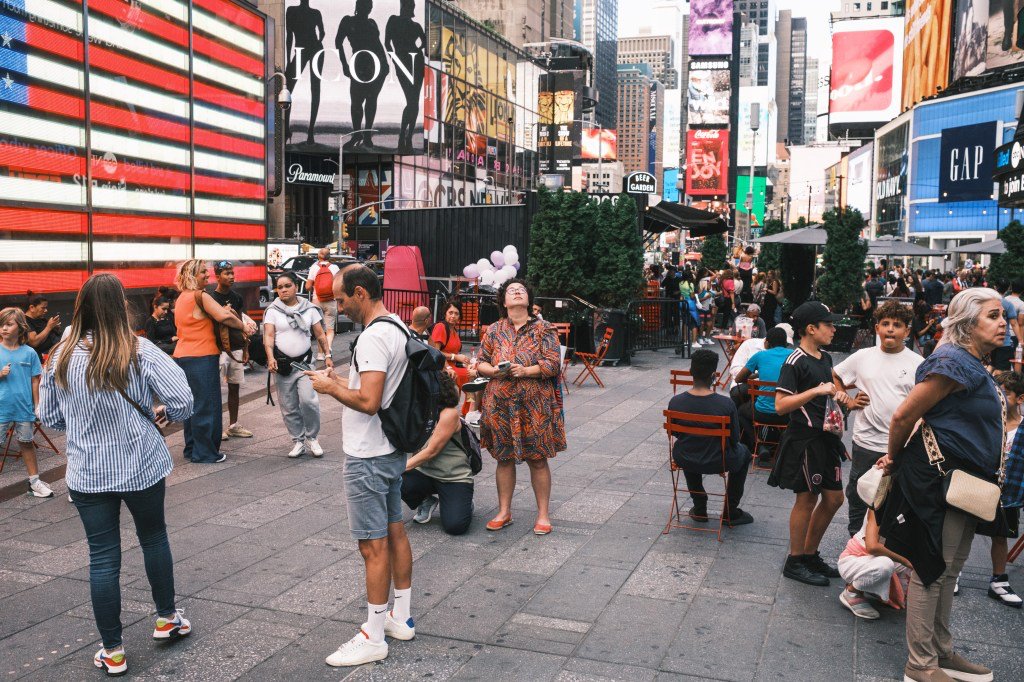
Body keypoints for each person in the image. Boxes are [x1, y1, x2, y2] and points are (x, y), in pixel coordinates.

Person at [38, 274, 195, 677]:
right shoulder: (138, 349)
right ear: (120, 305)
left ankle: (113, 651)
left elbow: (51, 417)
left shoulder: (61, 355)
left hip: (88, 472)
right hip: (141, 464)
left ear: (80, 306)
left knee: (102, 558)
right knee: (153, 537)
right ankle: (166, 619)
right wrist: (162, 414)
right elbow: (182, 401)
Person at [877, 287, 1004, 682]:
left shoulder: (969, 361)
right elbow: (902, 416)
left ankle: (942, 651)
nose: (1004, 323)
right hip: (939, 479)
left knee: (950, 570)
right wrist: (893, 460)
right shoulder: (952, 361)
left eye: (1003, 315)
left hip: (964, 482)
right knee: (932, 570)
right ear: (967, 323)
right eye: (993, 315)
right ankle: (920, 664)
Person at [306, 265, 415, 667]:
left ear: (359, 293)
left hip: (368, 455)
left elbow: (369, 402)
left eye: (340, 298)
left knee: (371, 546)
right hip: (389, 450)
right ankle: (399, 617)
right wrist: (344, 380)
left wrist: (331, 386)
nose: (338, 305)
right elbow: (379, 391)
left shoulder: (372, 337)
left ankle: (372, 635)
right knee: (394, 530)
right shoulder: (397, 326)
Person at [476, 279, 565, 536]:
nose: (517, 292)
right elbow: (480, 361)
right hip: (500, 403)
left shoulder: (544, 329)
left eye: (522, 290)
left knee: (537, 459)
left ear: (528, 299)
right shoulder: (494, 329)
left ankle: (543, 515)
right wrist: (493, 370)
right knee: (503, 459)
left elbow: (552, 365)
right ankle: (504, 512)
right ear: (504, 301)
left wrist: (525, 370)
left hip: (534, 404)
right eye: (511, 291)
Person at [769, 302, 847, 587]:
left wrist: (844, 399)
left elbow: (829, 393)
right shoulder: (794, 361)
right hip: (804, 439)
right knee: (807, 498)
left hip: (826, 438)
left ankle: (810, 554)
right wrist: (816, 390)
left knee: (835, 498)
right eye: (828, 324)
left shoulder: (825, 358)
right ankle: (795, 559)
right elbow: (780, 405)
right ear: (811, 329)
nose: (834, 328)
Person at [832, 300, 922, 537]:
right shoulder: (863, 356)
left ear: (907, 331)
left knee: (893, 495)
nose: (890, 329)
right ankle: (855, 538)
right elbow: (836, 374)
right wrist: (848, 401)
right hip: (866, 441)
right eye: (885, 324)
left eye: (897, 324)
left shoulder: (918, 364)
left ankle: (884, 538)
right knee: (858, 491)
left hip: (901, 445)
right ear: (877, 328)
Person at [173, 259, 252, 464]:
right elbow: (223, 317)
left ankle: (192, 449)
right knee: (206, 405)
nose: (207, 276)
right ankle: (206, 452)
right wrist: (243, 327)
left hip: (183, 356)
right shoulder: (201, 295)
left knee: (192, 406)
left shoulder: (182, 298)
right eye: (202, 273)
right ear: (191, 275)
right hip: (202, 356)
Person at [668, 349, 754, 526]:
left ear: (691, 372)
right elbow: (734, 439)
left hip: (685, 458)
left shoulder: (675, 402)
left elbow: (675, 433)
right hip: (719, 460)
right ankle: (730, 511)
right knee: (744, 453)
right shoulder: (726, 404)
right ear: (714, 375)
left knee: (689, 445)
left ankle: (699, 506)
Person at [971, 370, 1023, 608]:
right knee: (965, 528)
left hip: (1008, 492)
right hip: (980, 483)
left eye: (1006, 394)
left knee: (1000, 535)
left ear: (1020, 398)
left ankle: (999, 581)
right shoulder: (988, 420)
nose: (1000, 398)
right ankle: (954, 573)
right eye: (997, 393)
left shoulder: (1021, 428)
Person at [264, 273, 331, 458]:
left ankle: (313, 438)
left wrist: (328, 355)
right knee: (289, 406)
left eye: (287, 285)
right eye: (280, 287)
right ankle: (298, 441)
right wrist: (270, 358)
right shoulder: (272, 310)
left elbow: (320, 334)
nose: (283, 290)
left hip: (304, 364)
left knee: (309, 401)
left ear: (296, 287)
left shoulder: (309, 309)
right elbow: (269, 336)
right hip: (283, 366)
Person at [401, 372, 474, 535]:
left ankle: (464, 503)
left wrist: (400, 467)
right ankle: (425, 500)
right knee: (396, 480)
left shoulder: (449, 414)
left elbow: (431, 451)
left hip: (453, 477)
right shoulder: (422, 410)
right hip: (425, 474)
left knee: (456, 527)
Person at [0, 308, 53, 498]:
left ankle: (34, 482)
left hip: (24, 408)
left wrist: (37, 405)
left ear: (20, 327)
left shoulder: (29, 353)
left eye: (9, 324)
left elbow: (35, 380)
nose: (4, 328)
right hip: (1, 408)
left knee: (27, 443)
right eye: (1, 324)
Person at [837, 506, 913, 620]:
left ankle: (875, 587)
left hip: (883, 558)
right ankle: (852, 592)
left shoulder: (913, 504)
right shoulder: (880, 504)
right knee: (885, 566)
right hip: (856, 559)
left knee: (920, 570)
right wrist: (906, 561)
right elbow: (872, 547)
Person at [734, 326, 793, 467]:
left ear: (767, 343)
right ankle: (781, 446)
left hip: (761, 413)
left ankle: (758, 443)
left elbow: (738, 379)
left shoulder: (760, 356)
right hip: (787, 413)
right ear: (786, 342)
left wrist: (758, 373)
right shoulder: (794, 355)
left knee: (741, 411)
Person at [336, 0, 389, 149]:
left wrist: (384, 64)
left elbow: (378, 44)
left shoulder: (372, 23)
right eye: (365, 5)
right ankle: (357, 134)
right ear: (359, 6)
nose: (367, 8)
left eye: (369, 6)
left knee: (371, 99)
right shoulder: (348, 21)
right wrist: (344, 64)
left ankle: (366, 135)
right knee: (357, 101)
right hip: (358, 63)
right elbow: (338, 42)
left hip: (375, 65)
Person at [209, 261, 253, 441]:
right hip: (217, 349)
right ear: (217, 276)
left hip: (236, 348)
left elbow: (241, 322)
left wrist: (245, 348)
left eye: (232, 273)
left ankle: (233, 425)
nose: (232, 277)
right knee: (215, 390)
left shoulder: (237, 297)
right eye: (227, 273)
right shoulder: (210, 298)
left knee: (234, 387)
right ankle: (216, 426)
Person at [384, 0, 426, 153]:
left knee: (414, 102)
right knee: (411, 100)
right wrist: (395, 59)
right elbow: (387, 43)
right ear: (403, 6)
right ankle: (403, 136)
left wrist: (417, 49)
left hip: (417, 63)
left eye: (413, 6)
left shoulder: (416, 26)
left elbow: (425, 42)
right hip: (403, 64)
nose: (412, 8)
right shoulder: (393, 20)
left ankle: (407, 138)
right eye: (409, 5)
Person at [305, 248, 340, 361]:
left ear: (319, 256)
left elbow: (308, 287)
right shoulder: (335, 268)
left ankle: (320, 354)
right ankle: (328, 349)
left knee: (319, 328)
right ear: (329, 256)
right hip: (331, 300)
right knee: (329, 329)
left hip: (317, 300)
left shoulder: (314, 268)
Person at [24, 291, 61, 359]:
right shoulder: (25, 321)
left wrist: (54, 327)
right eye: (43, 308)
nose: (46, 310)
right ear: (32, 308)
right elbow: (34, 342)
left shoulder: (41, 319)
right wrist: (49, 327)